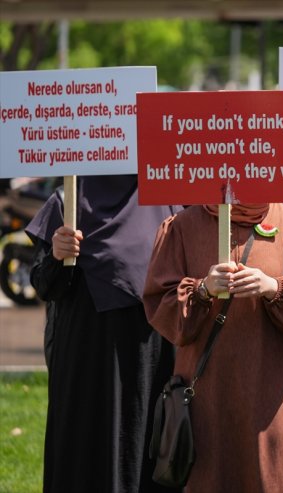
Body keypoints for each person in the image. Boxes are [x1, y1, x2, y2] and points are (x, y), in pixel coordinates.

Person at [142, 201, 283, 492]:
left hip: (272, 397)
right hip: (207, 396)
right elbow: (161, 311)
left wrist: (273, 288)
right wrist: (203, 289)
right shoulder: (180, 226)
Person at [26, 175, 181, 493]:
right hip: (90, 362)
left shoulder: (169, 195)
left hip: (154, 356)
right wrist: (58, 254)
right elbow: (43, 284)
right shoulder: (68, 199)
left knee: (151, 453)